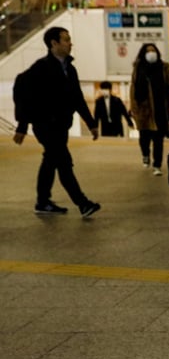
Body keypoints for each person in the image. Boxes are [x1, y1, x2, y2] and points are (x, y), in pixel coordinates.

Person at [12, 26, 102, 218]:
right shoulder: (41, 68)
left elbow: (77, 98)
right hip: (45, 125)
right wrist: (22, 126)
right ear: (54, 44)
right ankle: (83, 203)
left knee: (51, 161)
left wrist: (91, 123)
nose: (70, 43)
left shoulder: (70, 69)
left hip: (61, 125)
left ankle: (43, 202)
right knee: (63, 162)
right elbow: (24, 95)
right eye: (66, 40)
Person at [129, 44, 169, 176]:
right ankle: (145, 154)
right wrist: (133, 107)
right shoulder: (138, 68)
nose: (151, 53)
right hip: (143, 109)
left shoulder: (163, 68)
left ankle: (157, 165)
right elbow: (133, 88)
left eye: (153, 50)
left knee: (158, 139)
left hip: (160, 109)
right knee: (144, 137)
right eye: (148, 51)